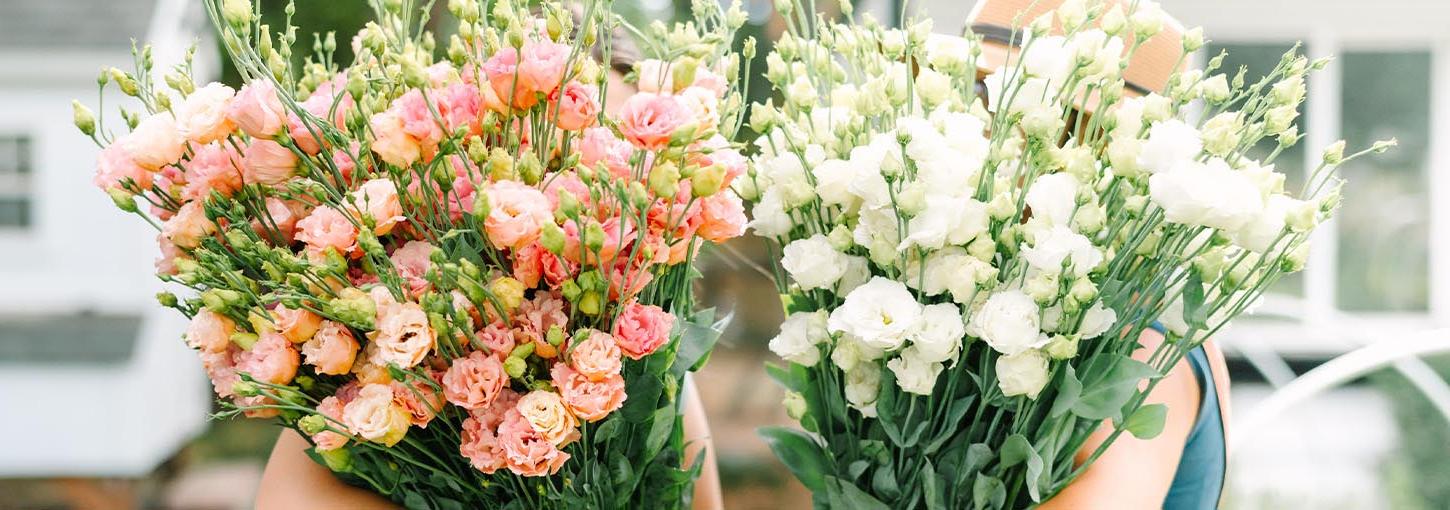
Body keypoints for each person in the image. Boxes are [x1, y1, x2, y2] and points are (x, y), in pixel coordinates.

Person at [255, 15, 724, 510]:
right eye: (576, 157)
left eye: (623, 161)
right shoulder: (404, 348)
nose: (606, 191)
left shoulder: (650, 353)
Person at [966, 1, 1232, 508]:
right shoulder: (1010, 302)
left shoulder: (1147, 343)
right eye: (979, 93)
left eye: (996, 103)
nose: (979, 127)